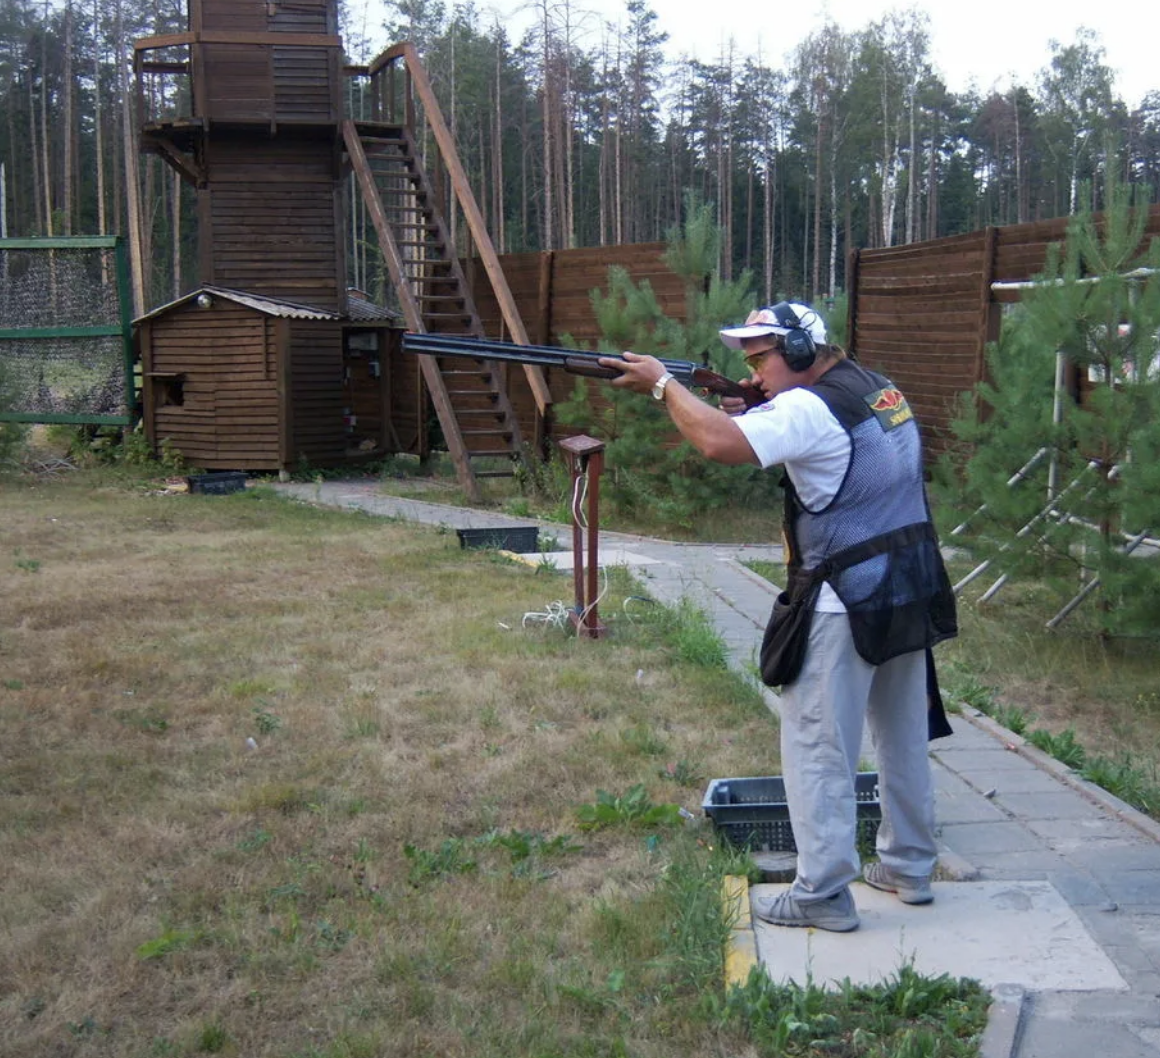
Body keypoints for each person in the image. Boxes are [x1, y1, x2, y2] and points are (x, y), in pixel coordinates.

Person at [600, 302, 957, 933]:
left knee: (819, 749)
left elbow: (716, 442)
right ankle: (908, 865)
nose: (754, 372)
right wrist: (754, 405)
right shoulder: (875, 387)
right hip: (905, 584)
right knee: (901, 736)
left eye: (761, 357)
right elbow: (807, 434)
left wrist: (662, 384)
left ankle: (821, 894)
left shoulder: (806, 408)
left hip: (841, 598)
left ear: (797, 351)